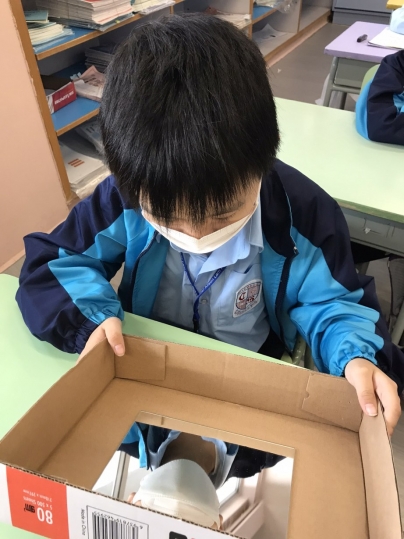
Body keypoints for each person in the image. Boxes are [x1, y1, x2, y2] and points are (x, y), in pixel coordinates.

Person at [17, 14, 403, 437]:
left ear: (261, 167)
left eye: (223, 215)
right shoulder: (122, 198)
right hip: (149, 365)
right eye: (167, 218)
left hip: (254, 371)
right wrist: (89, 321)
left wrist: (356, 356)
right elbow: (54, 265)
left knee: (249, 455)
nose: (196, 235)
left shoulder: (305, 212)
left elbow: (335, 303)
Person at [120, 423, 283, 529]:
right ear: (219, 527)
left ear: (129, 502)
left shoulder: (120, 427)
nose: (174, 523)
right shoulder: (268, 450)